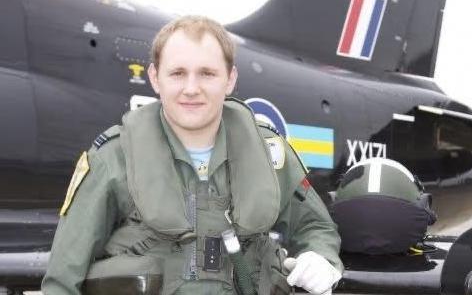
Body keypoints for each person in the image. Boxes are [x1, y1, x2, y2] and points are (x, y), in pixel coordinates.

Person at [42, 15, 343, 294]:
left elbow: (315, 226)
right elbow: (63, 279)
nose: (191, 88)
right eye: (177, 73)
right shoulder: (114, 159)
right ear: (155, 78)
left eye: (207, 74)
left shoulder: (270, 155)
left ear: (230, 79)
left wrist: (321, 257)